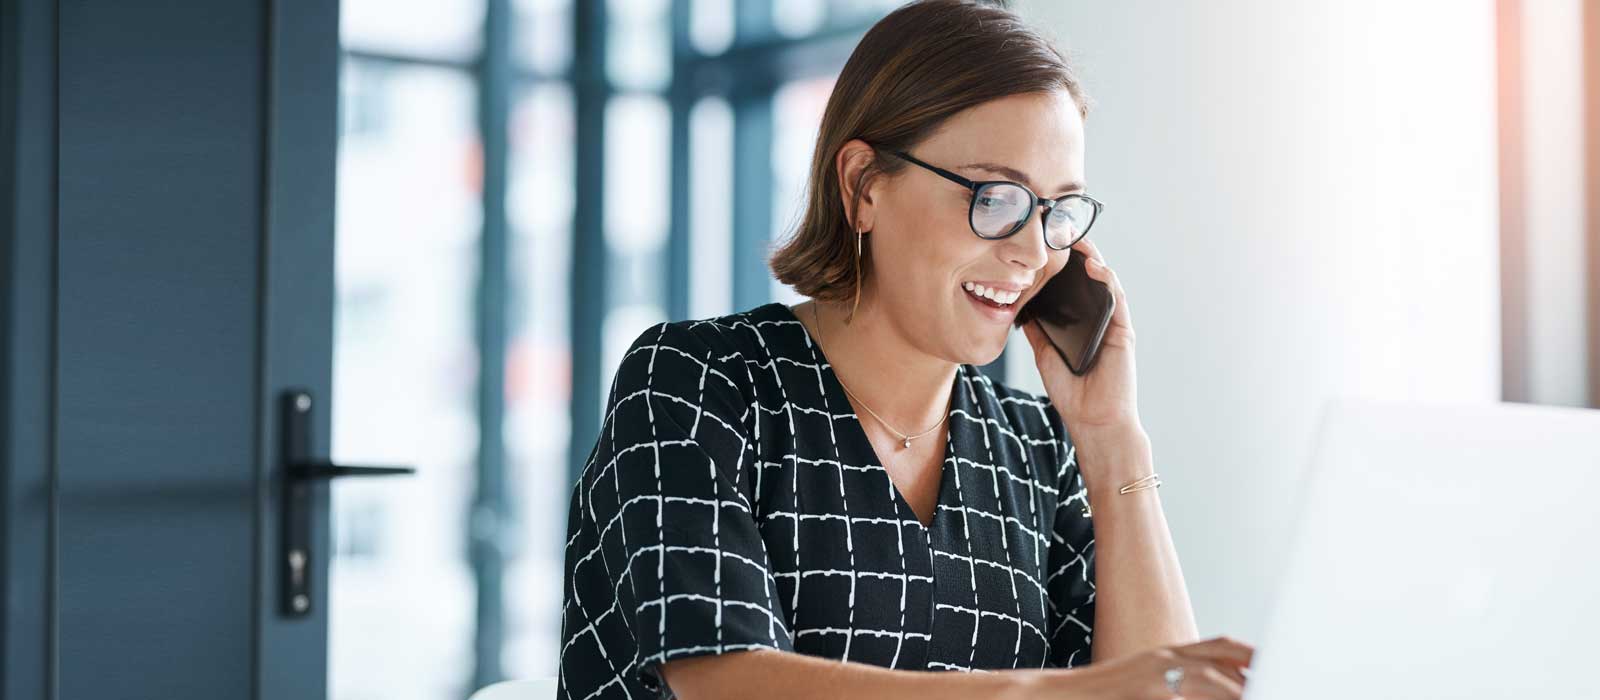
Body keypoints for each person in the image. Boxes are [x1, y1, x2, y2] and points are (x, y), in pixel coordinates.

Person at [557, 1, 1253, 698]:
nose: (1032, 249)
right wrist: (1042, 692)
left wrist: (1112, 442)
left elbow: (1164, 692)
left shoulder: (1037, 446)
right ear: (863, 186)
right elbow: (724, 680)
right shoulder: (697, 382)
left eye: (1056, 211)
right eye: (996, 197)